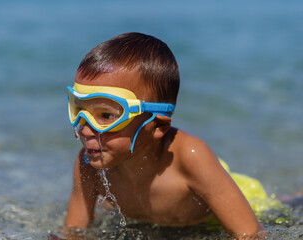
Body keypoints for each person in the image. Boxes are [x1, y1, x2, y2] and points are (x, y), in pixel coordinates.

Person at [63, 32, 268, 239]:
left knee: (290, 207)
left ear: (158, 126)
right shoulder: (87, 164)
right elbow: (74, 231)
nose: (86, 129)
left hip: (245, 198)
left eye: (106, 115)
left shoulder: (190, 157)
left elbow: (250, 233)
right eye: (79, 110)